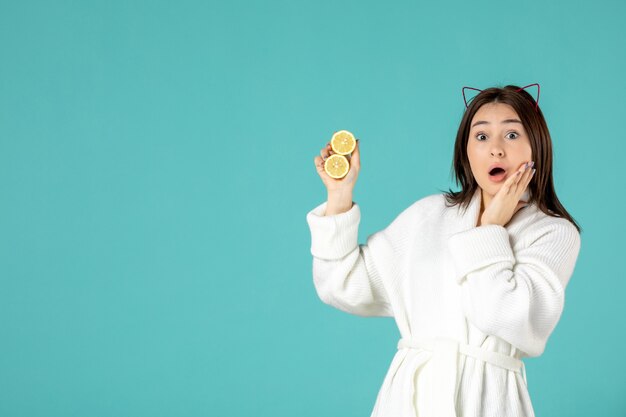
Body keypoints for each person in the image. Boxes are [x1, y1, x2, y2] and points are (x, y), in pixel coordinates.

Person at [305, 84, 582, 417]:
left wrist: (490, 229)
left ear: (536, 145)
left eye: (511, 135)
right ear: (465, 150)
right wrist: (339, 196)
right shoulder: (428, 215)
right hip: (408, 400)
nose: (495, 149)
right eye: (481, 137)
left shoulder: (551, 232)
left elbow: (506, 316)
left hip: (489, 401)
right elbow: (341, 285)